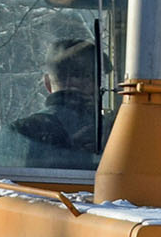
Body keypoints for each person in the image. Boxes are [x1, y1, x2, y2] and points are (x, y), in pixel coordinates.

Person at [12, 36, 102, 170]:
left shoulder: (20, 131)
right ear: (95, 84)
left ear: (47, 83)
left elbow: (7, 185)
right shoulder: (113, 132)